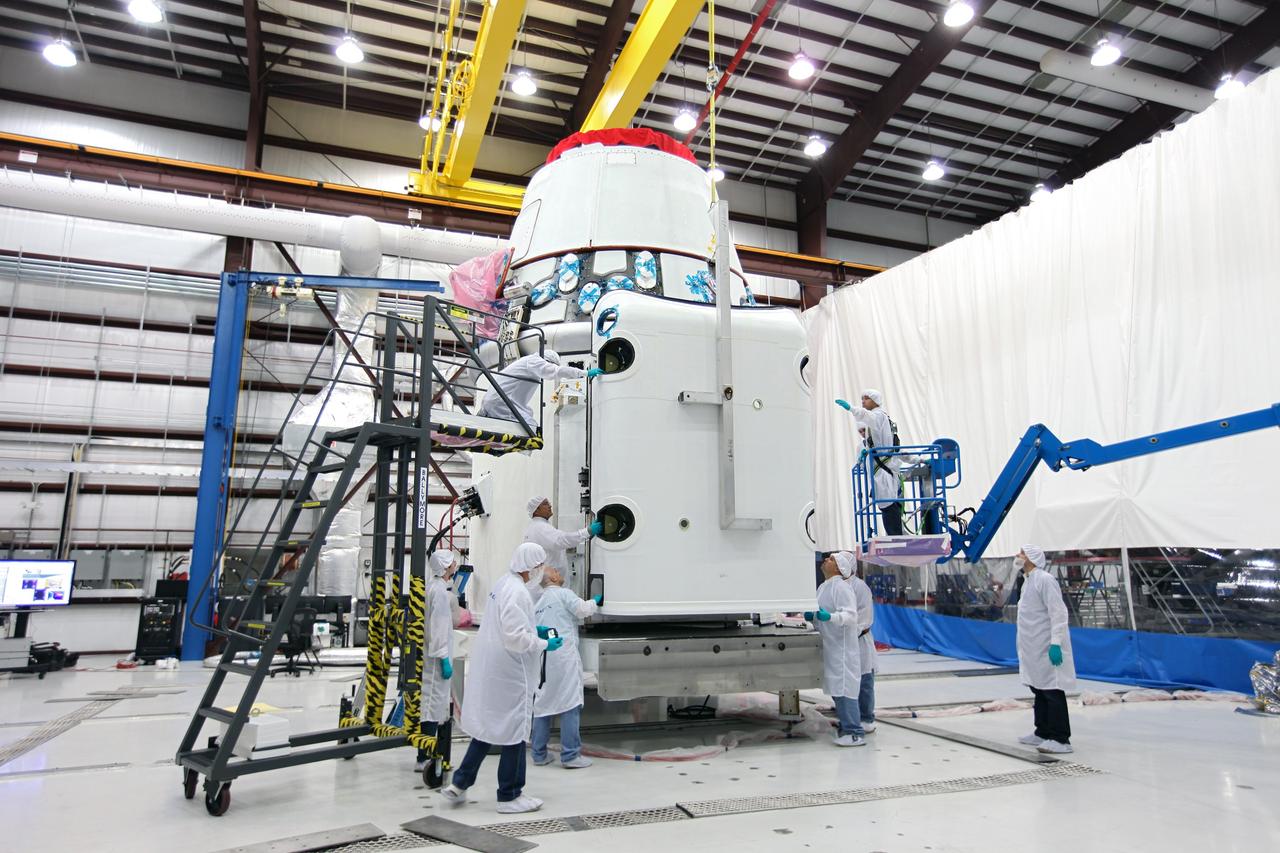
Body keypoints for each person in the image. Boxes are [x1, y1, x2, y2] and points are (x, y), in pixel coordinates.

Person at [439, 543, 566, 813]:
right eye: (539, 567)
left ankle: (460, 783)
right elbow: (515, 638)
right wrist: (543, 643)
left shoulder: (503, 584)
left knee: (489, 727)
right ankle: (509, 795)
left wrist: (534, 628)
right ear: (530, 567)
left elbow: (510, 625)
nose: (541, 572)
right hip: (511, 674)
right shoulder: (518, 592)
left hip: (494, 670)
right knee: (514, 732)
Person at [531, 567, 601, 769]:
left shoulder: (539, 601)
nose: (560, 572)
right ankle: (570, 755)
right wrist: (596, 600)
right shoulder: (563, 594)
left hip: (544, 657)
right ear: (552, 577)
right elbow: (583, 609)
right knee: (570, 703)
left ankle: (539, 754)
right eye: (555, 570)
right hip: (563, 656)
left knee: (543, 705)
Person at [1014, 544, 1076, 755]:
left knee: (1051, 690)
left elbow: (1058, 613)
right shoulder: (1027, 581)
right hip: (1033, 647)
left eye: (1022, 553)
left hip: (1047, 646)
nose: (1018, 556)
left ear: (1031, 558)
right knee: (1038, 688)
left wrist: (1056, 643)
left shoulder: (1045, 580)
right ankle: (1042, 731)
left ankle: (1060, 738)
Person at [805, 551, 865, 747]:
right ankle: (846, 726)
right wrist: (812, 617)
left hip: (843, 650)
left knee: (846, 688)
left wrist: (828, 617)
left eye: (831, 559)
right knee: (838, 689)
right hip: (831, 647)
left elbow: (850, 616)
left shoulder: (841, 587)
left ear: (840, 567)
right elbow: (820, 612)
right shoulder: (824, 587)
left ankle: (855, 732)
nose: (825, 560)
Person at [475, 349, 596, 431]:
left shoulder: (526, 363)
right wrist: (584, 373)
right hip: (500, 403)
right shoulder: (534, 361)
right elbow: (555, 371)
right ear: (547, 361)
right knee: (530, 427)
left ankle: (487, 419)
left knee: (528, 415)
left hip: (495, 401)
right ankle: (497, 448)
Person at [415, 549, 458, 773]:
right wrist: (443, 658)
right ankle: (424, 758)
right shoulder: (439, 592)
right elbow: (438, 627)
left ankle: (426, 754)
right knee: (432, 705)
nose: (455, 566)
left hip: (431, 654)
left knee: (431, 705)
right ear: (444, 567)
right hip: (435, 658)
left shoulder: (433, 587)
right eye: (452, 563)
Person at [838, 391, 902, 535]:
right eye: (862, 398)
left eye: (866, 398)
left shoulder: (878, 415)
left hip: (884, 473)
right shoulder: (875, 426)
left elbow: (866, 416)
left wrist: (851, 408)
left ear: (875, 400)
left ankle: (896, 538)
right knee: (887, 507)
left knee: (889, 507)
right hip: (881, 474)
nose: (863, 401)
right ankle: (895, 536)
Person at [523, 496, 602, 602]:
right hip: (549, 586)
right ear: (536, 510)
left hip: (547, 586)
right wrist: (587, 531)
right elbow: (562, 540)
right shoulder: (540, 528)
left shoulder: (536, 527)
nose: (550, 505)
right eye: (545, 504)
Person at [848, 563, 878, 733]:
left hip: (859, 641)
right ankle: (852, 715)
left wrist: (849, 633)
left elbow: (865, 619)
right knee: (846, 682)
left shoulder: (860, 587)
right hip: (843, 642)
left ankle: (866, 718)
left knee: (865, 680)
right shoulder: (833, 586)